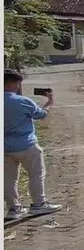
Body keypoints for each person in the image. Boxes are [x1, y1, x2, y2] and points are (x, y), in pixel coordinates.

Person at [4, 69, 62, 222]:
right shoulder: (21, 101)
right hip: (26, 145)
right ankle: (39, 203)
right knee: (36, 175)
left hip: (4, 148)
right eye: (17, 83)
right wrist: (50, 101)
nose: (18, 87)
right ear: (11, 83)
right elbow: (42, 114)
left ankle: (14, 208)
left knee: (8, 179)